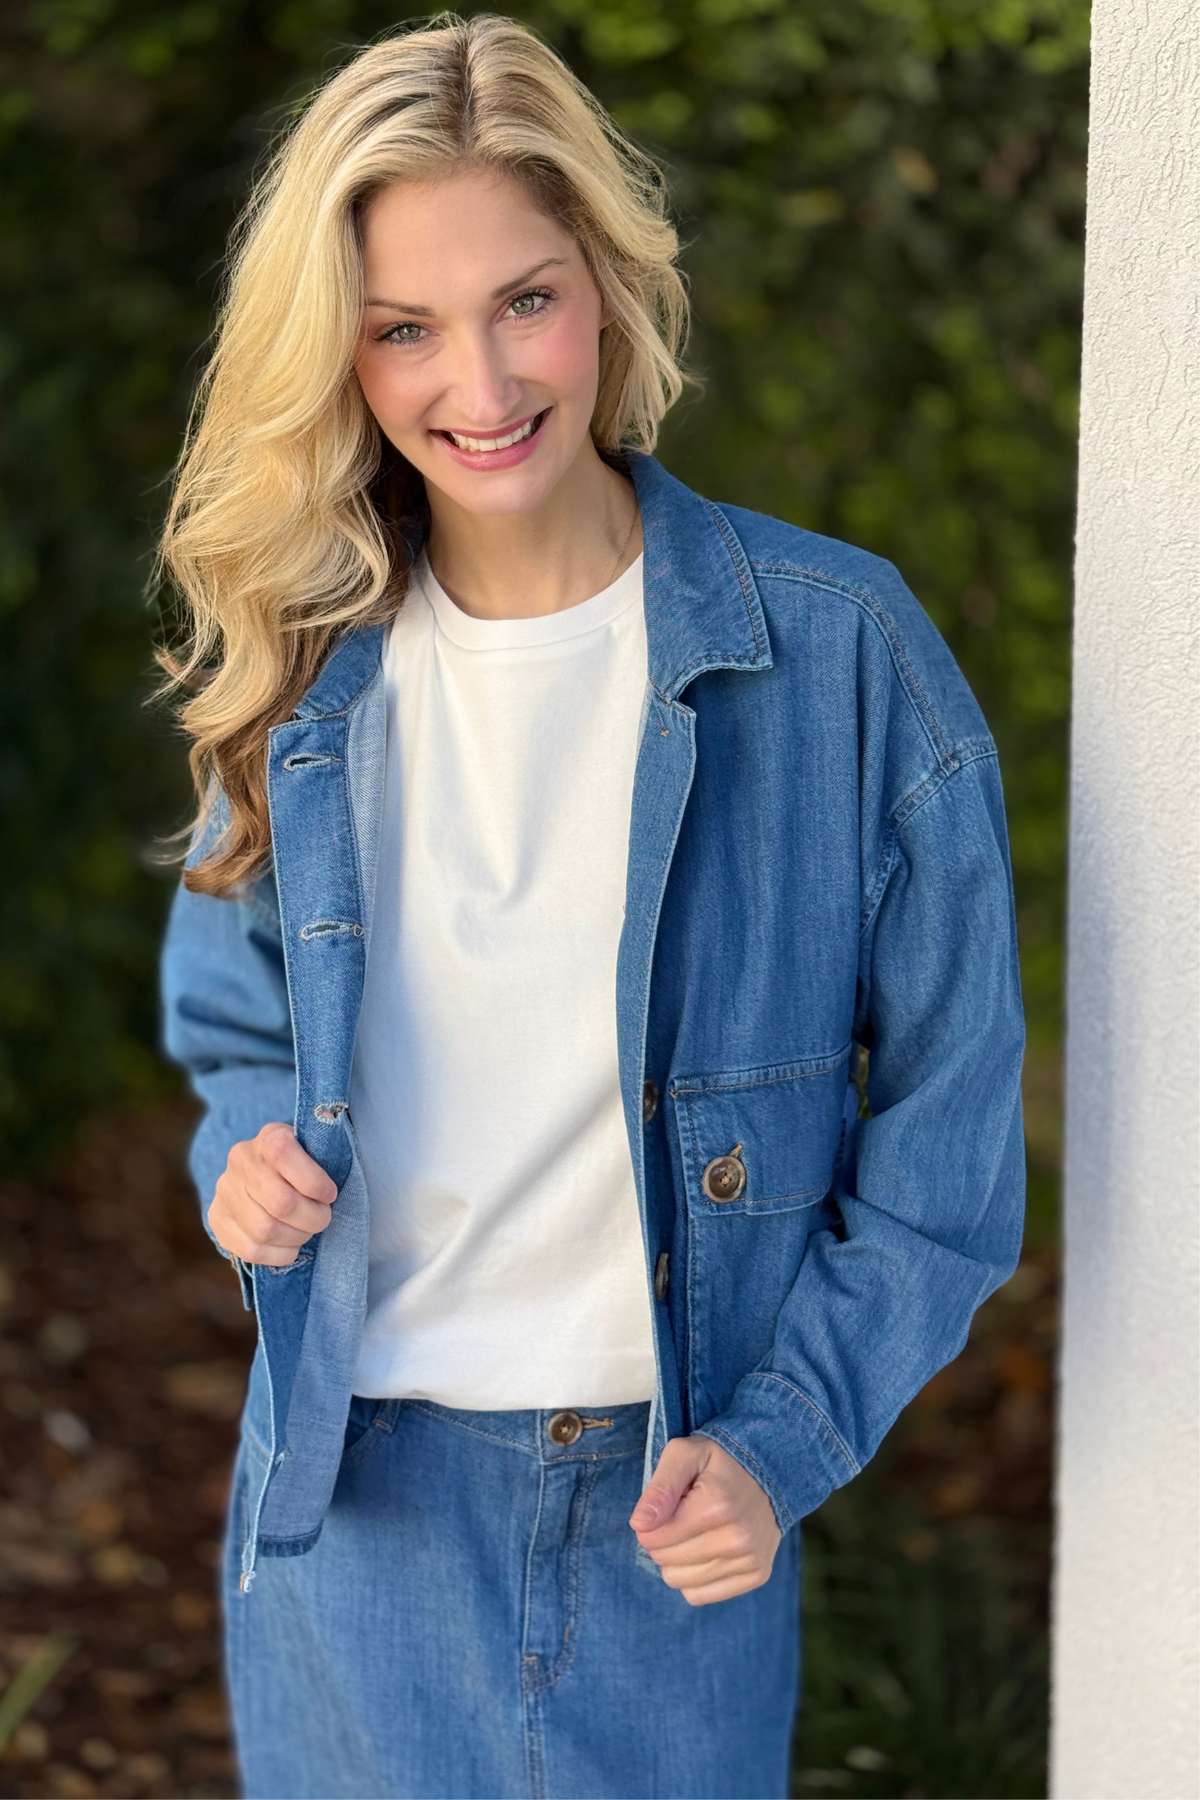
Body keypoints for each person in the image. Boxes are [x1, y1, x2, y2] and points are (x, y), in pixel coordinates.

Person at [158, 14, 1025, 1800]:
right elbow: (236, 1024)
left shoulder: (843, 659)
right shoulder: (300, 676)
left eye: (524, 301)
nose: (476, 383)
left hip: (665, 1518)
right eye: (404, 327)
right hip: (343, 1512)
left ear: (613, 293)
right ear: (344, 355)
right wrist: (244, 1164)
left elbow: (951, 1150)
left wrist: (785, 1444)